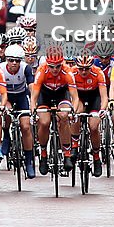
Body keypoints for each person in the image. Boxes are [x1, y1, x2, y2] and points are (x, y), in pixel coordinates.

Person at [31, 44, 79, 174]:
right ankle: (43, 154)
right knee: (44, 122)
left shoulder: (67, 72)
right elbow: (34, 97)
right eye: (52, 66)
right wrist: (33, 112)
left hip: (61, 95)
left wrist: (72, 112)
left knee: (63, 117)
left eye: (58, 66)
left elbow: (75, 97)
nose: (55, 69)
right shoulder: (41, 71)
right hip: (44, 96)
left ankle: (67, 154)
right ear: (47, 63)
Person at [0, 43, 36, 179]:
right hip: (7, 96)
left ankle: (29, 160)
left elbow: (31, 87)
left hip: (21, 97)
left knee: (26, 127)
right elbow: (0, 90)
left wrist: (33, 103)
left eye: (17, 61)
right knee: (7, 114)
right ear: (6, 60)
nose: (14, 63)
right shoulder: (1, 69)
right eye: (11, 60)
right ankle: (6, 135)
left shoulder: (26, 68)